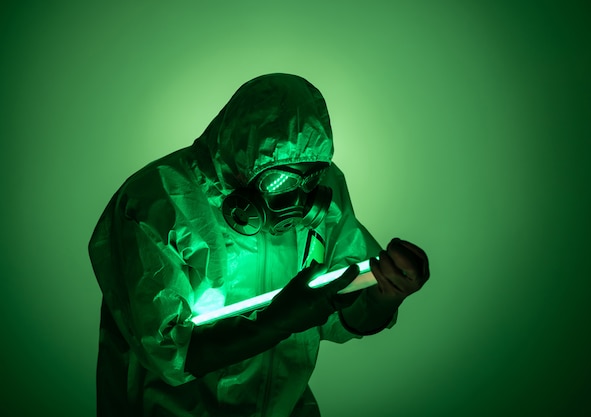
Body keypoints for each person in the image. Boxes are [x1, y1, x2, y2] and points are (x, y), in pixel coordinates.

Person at [88, 73, 430, 417]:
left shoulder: (323, 188)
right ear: (239, 162)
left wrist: (384, 293)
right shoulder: (157, 203)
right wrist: (279, 320)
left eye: (309, 177)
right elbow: (167, 354)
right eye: (278, 179)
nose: (299, 199)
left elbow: (344, 314)